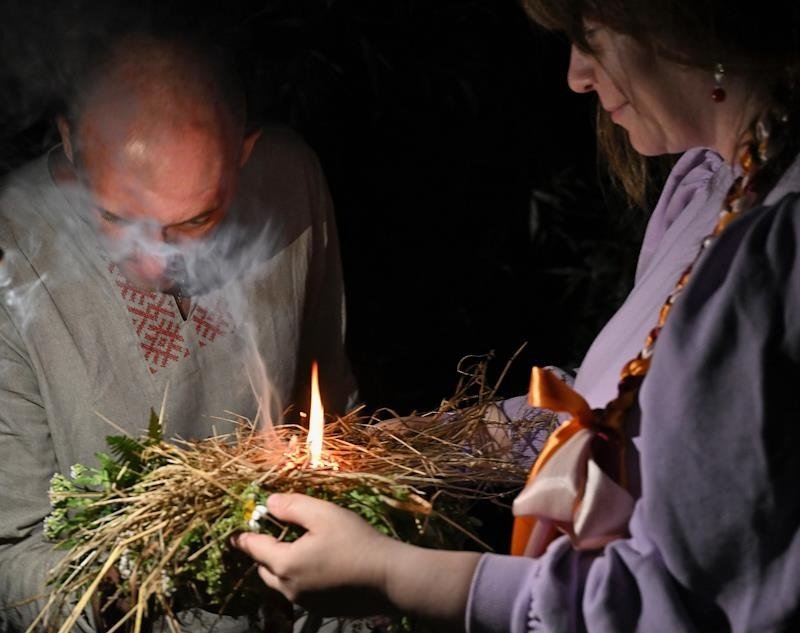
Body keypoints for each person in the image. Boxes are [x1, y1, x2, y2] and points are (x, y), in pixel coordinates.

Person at [232, 1, 800, 631]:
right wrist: (403, 450)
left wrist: (394, 576)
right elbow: (616, 407)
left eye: (589, 37)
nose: (577, 76)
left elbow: (679, 606)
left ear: (687, 22)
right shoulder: (708, 182)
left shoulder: (783, 251)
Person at [0, 32, 355, 631]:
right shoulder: (13, 248)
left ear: (243, 154)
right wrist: (109, 584)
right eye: (117, 218)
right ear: (69, 142)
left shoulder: (288, 180)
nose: (155, 262)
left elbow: (336, 411)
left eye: (197, 218)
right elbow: (13, 550)